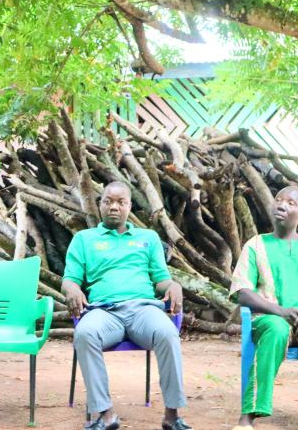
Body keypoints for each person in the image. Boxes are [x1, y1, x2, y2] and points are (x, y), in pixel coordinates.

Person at [62, 181, 192, 430]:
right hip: (103, 311)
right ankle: (105, 413)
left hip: (143, 310)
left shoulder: (148, 238)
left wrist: (173, 285)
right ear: (99, 205)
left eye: (120, 202)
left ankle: (172, 415)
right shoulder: (84, 239)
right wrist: (73, 289)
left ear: (129, 206)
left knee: (167, 333)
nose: (114, 207)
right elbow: (70, 280)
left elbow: (161, 280)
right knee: (85, 333)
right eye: (108, 201)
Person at [230, 185, 298, 430]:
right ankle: (248, 416)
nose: (282, 205)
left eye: (291, 203)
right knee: (276, 330)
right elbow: (242, 291)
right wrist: (282, 311)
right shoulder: (255, 245)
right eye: (278, 200)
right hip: (270, 317)